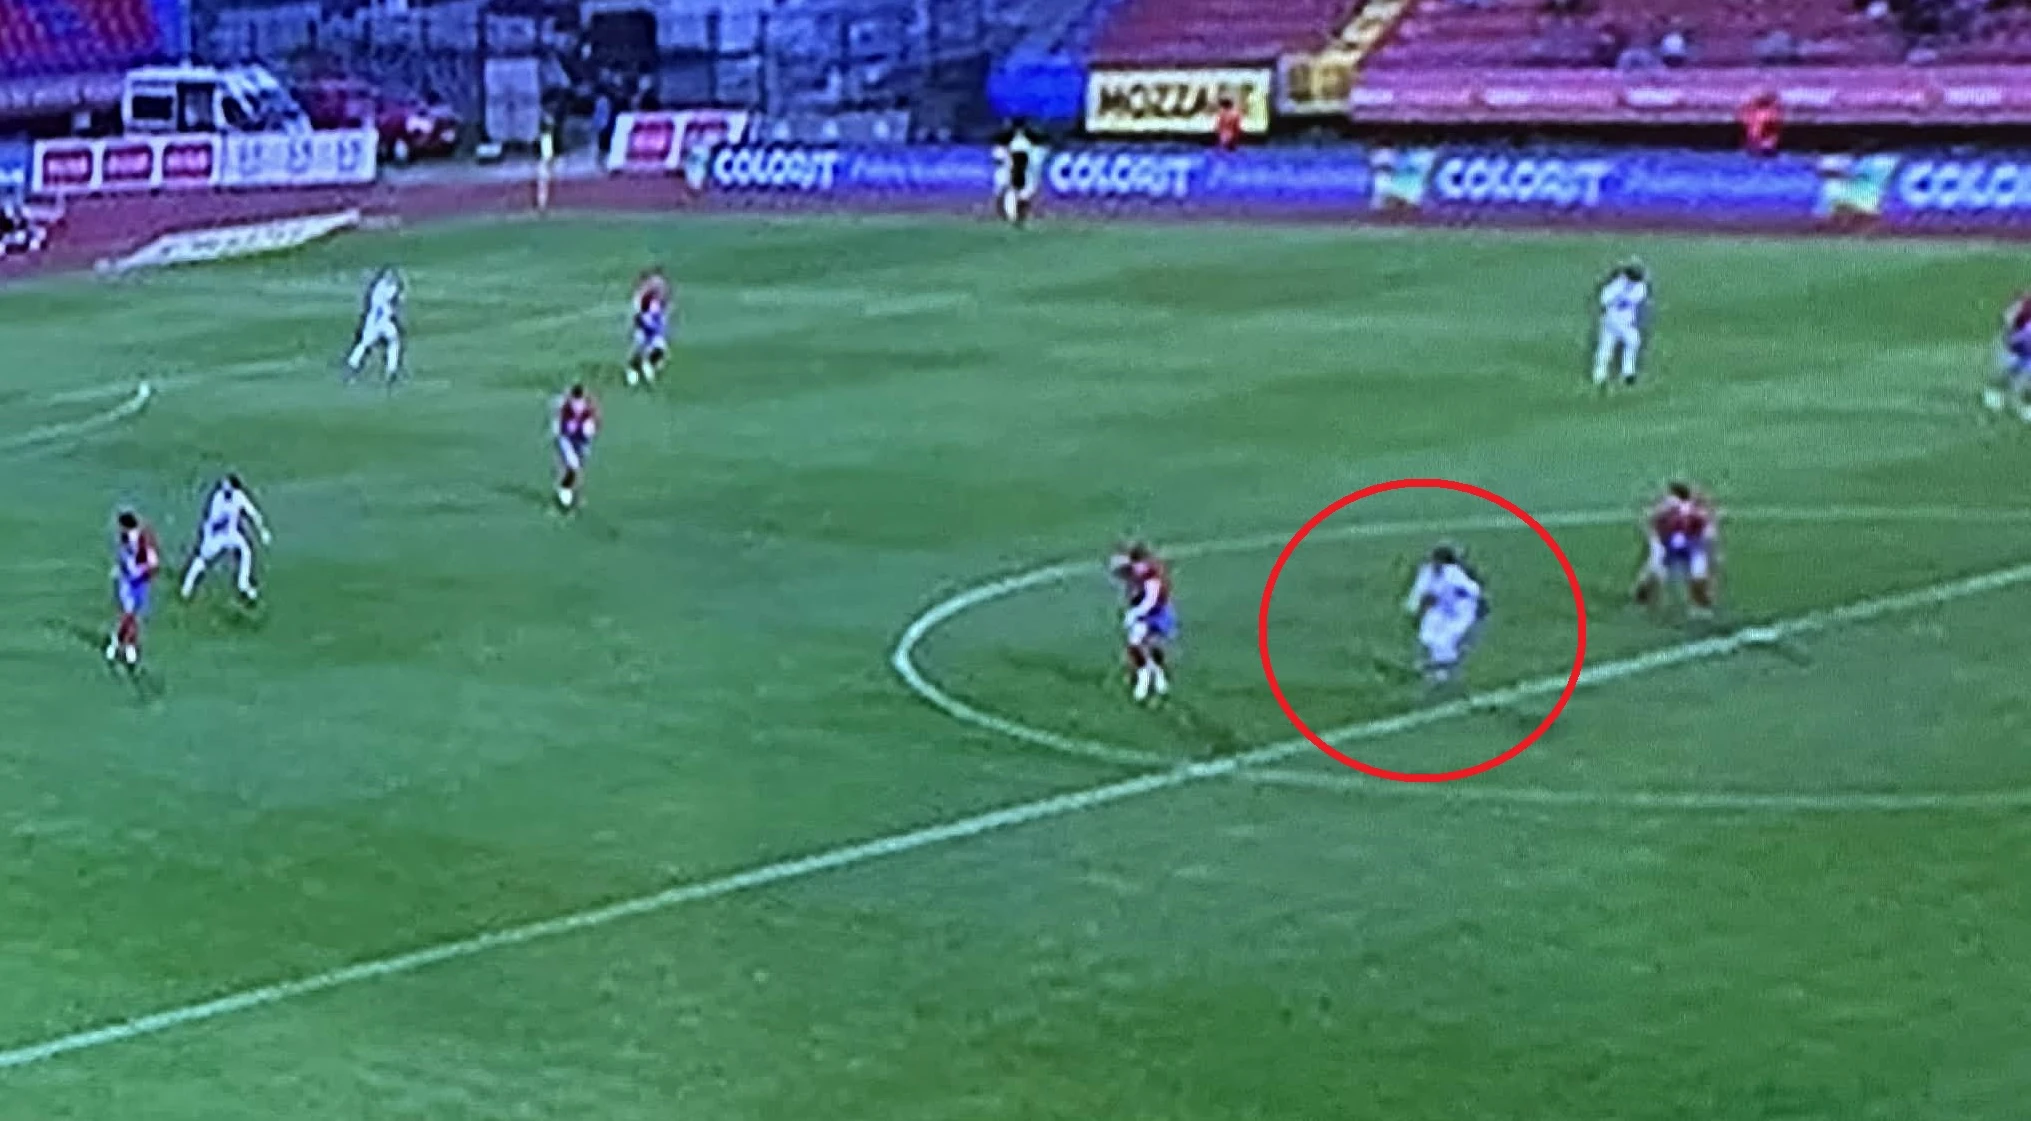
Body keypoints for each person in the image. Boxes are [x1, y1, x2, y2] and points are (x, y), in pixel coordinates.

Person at [180, 474, 274, 603]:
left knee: (246, 551)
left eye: (227, 484)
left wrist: (262, 531)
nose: (224, 486)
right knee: (203, 559)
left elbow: (253, 513)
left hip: (231, 533)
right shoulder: (218, 498)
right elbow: (215, 520)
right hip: (215, 535)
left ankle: (243, 584)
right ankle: (187, 587)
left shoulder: (239, 496)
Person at [1404, 544, 1486, 684]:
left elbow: (1471, 594)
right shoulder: (1427, 573)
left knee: (1444, 639)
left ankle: (1442, 670)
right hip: (1440, 611)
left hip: (1458, 612)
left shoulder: (1456, 576)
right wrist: (1417, 610)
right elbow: (1418, 595)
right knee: (1430, 636)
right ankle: (1435, 666)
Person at [1634, 482, 1719, 613]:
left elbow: (1652, 522)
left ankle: (1642, 601)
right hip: (1677, 546)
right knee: (1695, 579)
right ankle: (1702, 605)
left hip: (1682, 546)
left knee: (1654, 576)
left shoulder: (1681, 508)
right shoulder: (1691, 509)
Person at [1110, 543, 1175, 703]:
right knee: (1136, 644)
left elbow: (1150, 602)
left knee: (1149, 645)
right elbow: (1117, 569)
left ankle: (1155, 675)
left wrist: (1133, 614)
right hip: (1143, 615)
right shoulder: (1134, 572)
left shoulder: (1152, 578)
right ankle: (1147, 675)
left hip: (1156, 614)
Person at [107, 509, 161, 668]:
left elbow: (151, 561)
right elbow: (125, 557)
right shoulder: (126, 538)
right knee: (129, 615)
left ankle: (120, 641)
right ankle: (126, 645)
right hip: (127, 581)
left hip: (139, 581)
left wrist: (147, 572)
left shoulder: (141, 539)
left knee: (133, 616)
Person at [1592, 259, 1650, 388]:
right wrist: (1616, 287)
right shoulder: (1619, 284)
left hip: (1621, 322)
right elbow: (1603, 299)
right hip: (1613, 321)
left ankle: (1625, 373)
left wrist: (1617, 292)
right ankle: (1604, 375)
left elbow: (1606, 299)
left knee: (1629, 341)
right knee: (1609, 346)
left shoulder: (1638, 287)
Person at [345, 267, 404, 382]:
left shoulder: (380, 286)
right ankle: (353, 365)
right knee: (367, 343)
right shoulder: (385, 287)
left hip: (379, 320)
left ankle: (390, 369)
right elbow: (393, 298)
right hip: (378, 321)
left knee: (391, 341)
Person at [554, 383, 601, 510]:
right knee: (574, 466)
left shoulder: (580, 407)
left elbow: (594, 424)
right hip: (569, 440)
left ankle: (572, 494)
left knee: (576, 467)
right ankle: (566, 491)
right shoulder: (571, 407)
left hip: (578, 441)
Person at [1986, 290, 2031, 421]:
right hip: (2013, 353)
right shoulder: (2022, 303)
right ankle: (2002, 394)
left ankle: (2020, 399)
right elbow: (2005, 322)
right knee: (2011, 376)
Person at [627, 268, 670, 387]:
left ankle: (648, 364)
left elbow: (660, 313)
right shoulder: (642, 300)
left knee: (660, 350)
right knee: (639, 351)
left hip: (653, 331)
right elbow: (638, 318)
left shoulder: (657, 302)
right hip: (644, 330)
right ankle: (633, 371)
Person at [993, 121, 1041, 227]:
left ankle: (1016, 216)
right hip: (1016, 171)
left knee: (1018, 194)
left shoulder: (1021, 143)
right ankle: (1014, 216)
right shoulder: (1020, 143)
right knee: (1016, 194)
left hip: (1019, 171)